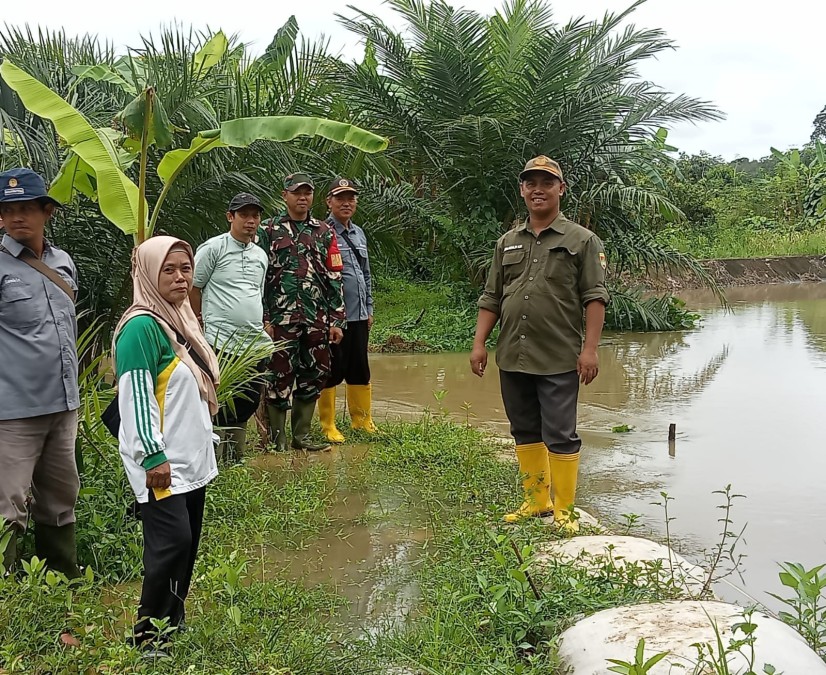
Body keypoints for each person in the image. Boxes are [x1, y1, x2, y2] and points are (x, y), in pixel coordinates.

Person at [470, 156, 609, 531]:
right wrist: (480, 343)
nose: (538, 190)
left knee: (560, 433)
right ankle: (536, 502)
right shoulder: (507, 242)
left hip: (559, 356)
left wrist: (590, 350)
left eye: (546, 183)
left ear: (561, 189)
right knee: (524, 429)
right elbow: (492, 297)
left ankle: (565, 510)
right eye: (531, 183)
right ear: (522, 190)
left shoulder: (582, 240)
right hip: (513, 353)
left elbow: (595, 298)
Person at [113, 236, 221, 654]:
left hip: (188, 458)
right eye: (169, 270)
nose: (180, 278)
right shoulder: (141, 328)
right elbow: (136, 398)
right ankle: (147, 636)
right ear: (147, 273)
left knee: (186, 542)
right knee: (171, 542)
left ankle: (171, 624)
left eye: (186, 269)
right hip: (160, 461)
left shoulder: (178, 318)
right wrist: (152, 456)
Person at [0, 168, 81, 577]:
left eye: (28, 208)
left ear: (46, 212)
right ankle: (10, 592)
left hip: (63, 405)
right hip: (14, 410)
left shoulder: (63, 262)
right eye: (8, 209)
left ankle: (62, 578)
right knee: (8, 500)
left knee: (61, 496)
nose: (17, 217)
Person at [257, 173, 345, 452]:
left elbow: (334, 276)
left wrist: (337, 319)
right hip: (280, 319)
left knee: (315, 374)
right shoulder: (268, 230)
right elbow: (258, 277)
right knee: (278, 376)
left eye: (307, 193)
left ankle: (302, 436)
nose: (303, 198)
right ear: (285, 195)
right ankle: (277, 440)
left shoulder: (324, 231)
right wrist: (264, 318)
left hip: (316, 318)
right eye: (297, 193)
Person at [191, 192, 271, 462]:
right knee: (220, 401)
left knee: (247, 401)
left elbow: (257, 293)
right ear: (230, 217)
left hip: (252, 344)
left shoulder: (260, 255)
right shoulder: (213, 248)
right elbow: (194, 286)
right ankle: (212, 460)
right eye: (244, 215)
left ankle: (235, 459)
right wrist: (197, 323)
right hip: (219, 340)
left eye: (255, 216)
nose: (250, 221)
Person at [318, 177, 378, 443]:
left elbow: (365, 274)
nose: (346, 203)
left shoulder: (359, 234)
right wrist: (329, 316)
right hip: (335, 318)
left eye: (350, 198)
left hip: (359, 315)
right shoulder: (322, 232)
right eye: (340, 198)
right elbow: (319, 278)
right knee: (332, 369)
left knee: (360, 367)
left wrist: (369, 308)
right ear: (328, 202)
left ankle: (362, 421)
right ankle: (328, 424)